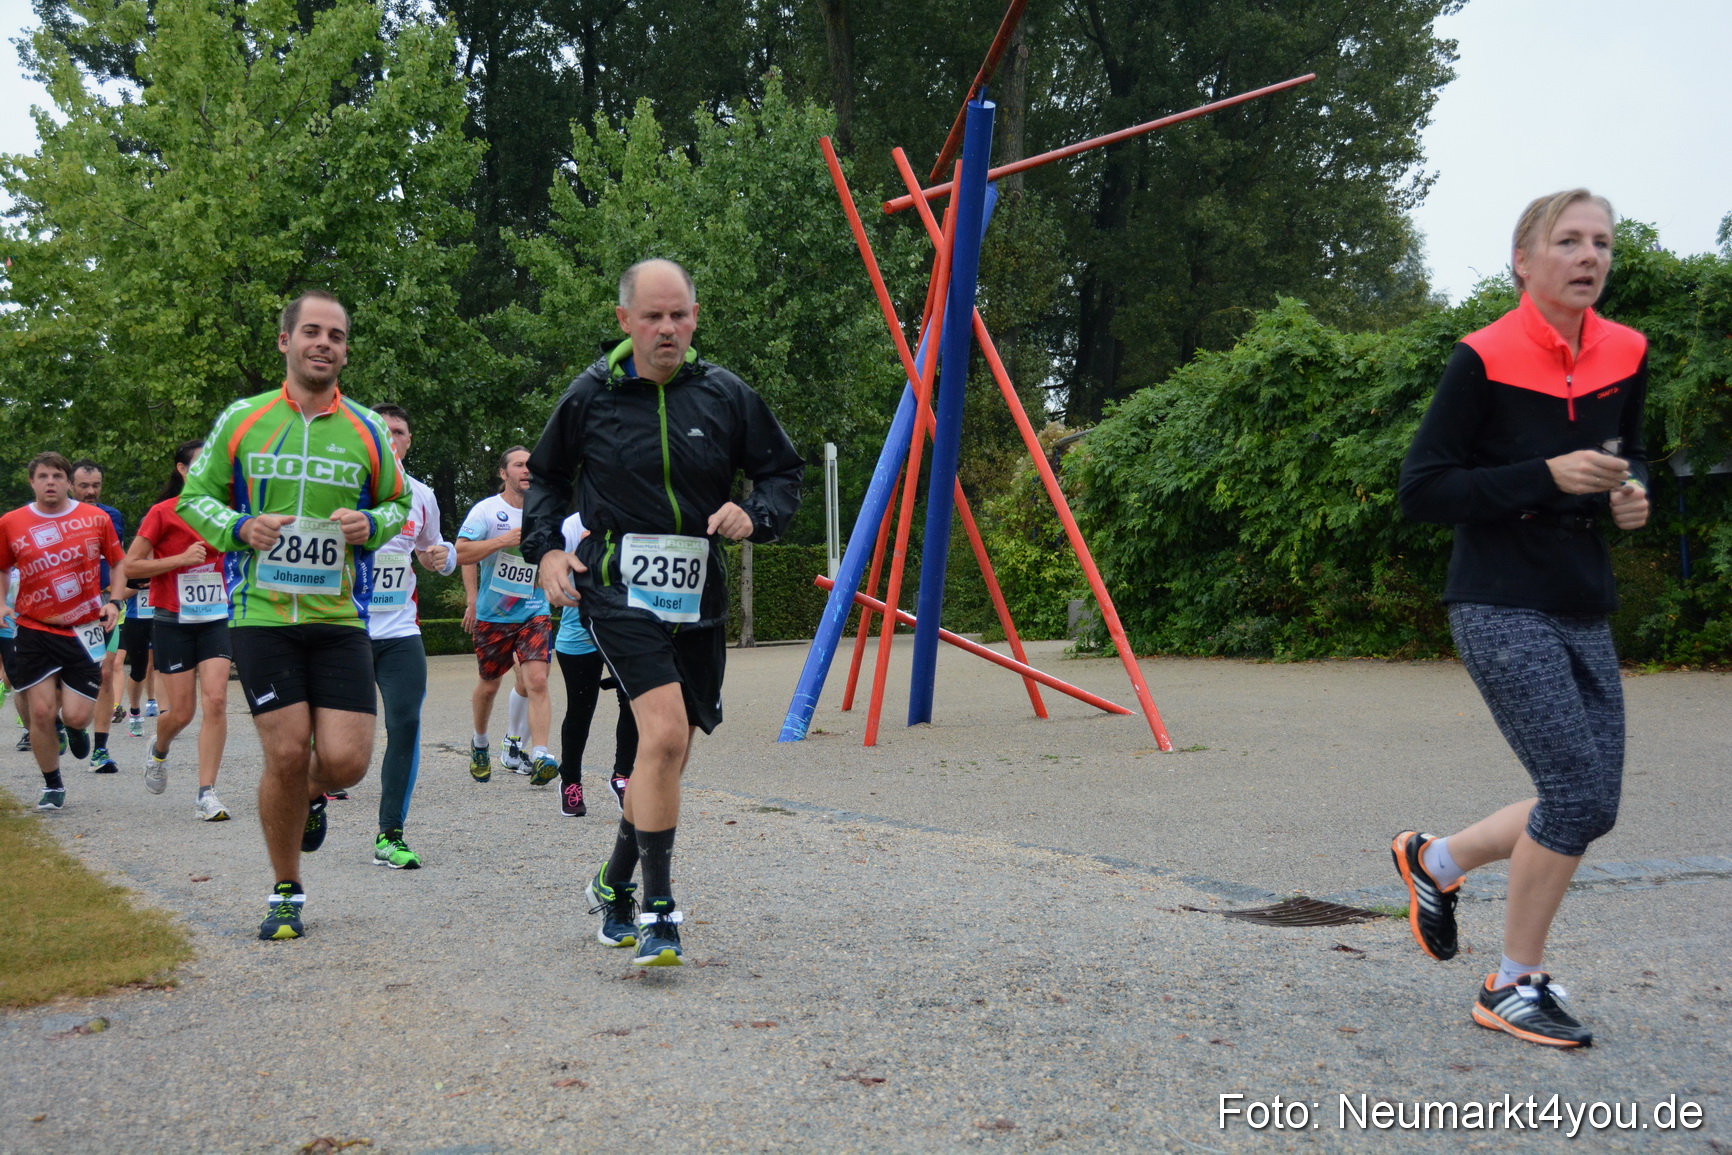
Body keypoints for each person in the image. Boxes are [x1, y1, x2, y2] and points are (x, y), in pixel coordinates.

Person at [1395, 190, 1649, 1049]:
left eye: (1602, 243)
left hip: (1582, 598)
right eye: (1568, 241)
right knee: (1575, 793)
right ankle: (1512, 980)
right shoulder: (1483, 357)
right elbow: (1423, 490)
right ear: (1524, 261)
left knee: (1591, 801)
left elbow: (1625, 452)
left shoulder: (1627, 351)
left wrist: (1631, 490)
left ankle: (1437, 860)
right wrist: (1545, 474)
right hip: (1498, 599)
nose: (1589, 257)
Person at [525, 257, 802, 966]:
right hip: (616, 590)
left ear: (695, 316)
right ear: (625, 321)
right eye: (653, 316)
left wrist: (758, 512)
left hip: (697, 599)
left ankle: (612, 882)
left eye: (680, 314)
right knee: (665, 730)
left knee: (668, 749)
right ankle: (658, 912)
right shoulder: (591, 396)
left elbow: (781, 470)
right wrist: (548, 554)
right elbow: (547, 481)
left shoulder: (725, 395)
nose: (668, 328)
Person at [179, 289, 411, 940]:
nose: (324, 344)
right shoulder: (243, 420)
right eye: (312, 331)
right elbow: (193, 499)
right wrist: (240, 525)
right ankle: (287, 887)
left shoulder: (366, 428)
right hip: (262, 613)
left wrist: (370, 521)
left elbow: (399, 506)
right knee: (283, 753)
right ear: (286, 341)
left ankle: (309, 794)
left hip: (339, 615)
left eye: (335, 335)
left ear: (343, 350)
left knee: (346, 762)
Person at [0, 453, 128, 810]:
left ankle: (73, 728)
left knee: (75, 714)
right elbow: (2, 567)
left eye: (57, 476)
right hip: (34, 626)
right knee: (40, 713)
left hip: (84, 628)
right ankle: (53, 785)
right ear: (32, 482)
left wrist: (114, 602)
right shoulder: (12, 522)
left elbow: (119, 563)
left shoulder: (94, 518)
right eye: (43, 476)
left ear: (68, 482)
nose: (50, 482)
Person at [362, 403, 456, 869]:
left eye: (399, 431)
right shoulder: (345, 488)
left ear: (408, 441)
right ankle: (313, 795)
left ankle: (390, 834)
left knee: (405, 724)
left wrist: (441, 557)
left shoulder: (422, 495)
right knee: (344, 742)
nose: (391, 438)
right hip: (345, 631)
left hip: (400, 631)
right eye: (382, 431)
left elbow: (429, 550)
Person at [124, 440, 235, 820]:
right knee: (182, 712)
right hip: (173, 620)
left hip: (217, 618)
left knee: (217, 700)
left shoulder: (228, 512)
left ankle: (207, 793)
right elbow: (131, 567)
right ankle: (159, 747)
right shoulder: (162, 513)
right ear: (183, 470)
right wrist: (180, 560)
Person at [456, 447, 557, 786]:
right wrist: (503, 540)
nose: (527, 470)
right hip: (494, 614)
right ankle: (480, 741)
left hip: (534, 610)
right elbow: (461, 552)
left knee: (537, 680)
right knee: (489, 685)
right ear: (504, 473)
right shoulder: (486, 510)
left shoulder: (544, 509)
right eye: (519, 465)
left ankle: (541, 753)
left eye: (531, 465)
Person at [551, 509, 639, 818]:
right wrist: (582, 550)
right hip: (579, 630)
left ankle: (622, 775)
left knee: (634, 700)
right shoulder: (573, 524)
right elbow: (552, 584)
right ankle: (571, 783)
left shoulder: (638, 515)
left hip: (624, 627)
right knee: (580, 708)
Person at [69, 460, 130, 772]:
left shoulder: (110, 516)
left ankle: (101, 751)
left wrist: (115, 598)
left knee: (105, 672)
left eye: (96, 486)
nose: (91, 492)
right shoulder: (53, 518)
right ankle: (69, 723)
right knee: (61, 673)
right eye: (84, 486)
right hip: (61, 607)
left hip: (100, 604)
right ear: (70, 486)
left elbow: (114, 558)